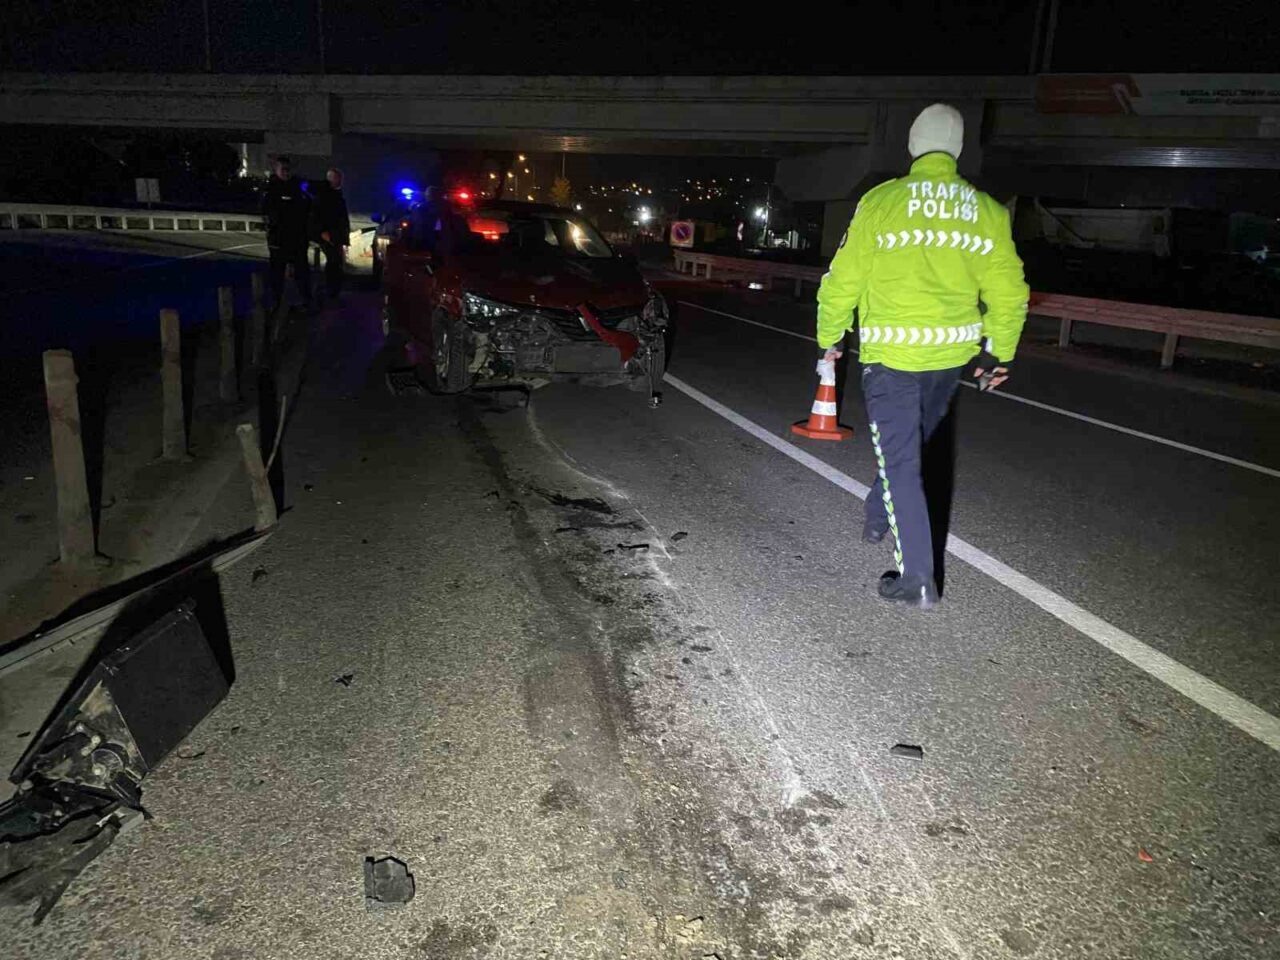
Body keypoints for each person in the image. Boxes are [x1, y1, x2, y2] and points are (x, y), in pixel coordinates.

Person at [815, 103, 1029, 609]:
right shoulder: (988, 211)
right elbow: (1010, 292)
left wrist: (831, 335)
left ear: (913, 145)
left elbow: (843, 278)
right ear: (958, 149)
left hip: (892, 356)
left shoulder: (881, 201)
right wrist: (997, 354)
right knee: (906, 449)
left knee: (901, 460)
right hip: (949, 357)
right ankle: (876, 517)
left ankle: (917, 579)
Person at [261, 155, 312, 313]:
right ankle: (275, 304)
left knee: (302, 272)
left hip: (298, 238)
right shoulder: (271, 188)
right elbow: (265, 211)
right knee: (276, 273)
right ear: (276, 170)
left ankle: (305, 302)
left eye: (288, 169)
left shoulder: (298, 187)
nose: (286, 172)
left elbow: (308, 208)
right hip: (278, 239)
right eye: (282, 169)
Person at [314, 167, 351, 297]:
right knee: (333, 261)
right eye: (335, 178)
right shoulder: (325, 196)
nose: (338, 180)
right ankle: (331, 290)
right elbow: (318, 215)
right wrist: (322, 231)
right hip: (330, 234)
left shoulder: (336, 194)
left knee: (336, 262)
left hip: (335, 234)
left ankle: (333, 289)